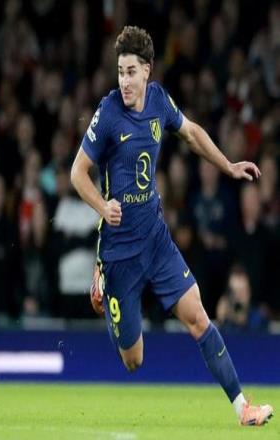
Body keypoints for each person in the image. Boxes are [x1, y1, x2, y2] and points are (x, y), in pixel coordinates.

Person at [71, 26, 273, 426]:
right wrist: (102, 206)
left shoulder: (159, 100)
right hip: (119, 251)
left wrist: (228, 165)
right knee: (134, 360)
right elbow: (78, 172)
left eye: (131, 72)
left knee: (198, 317)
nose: (124, 81)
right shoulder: (108, 112)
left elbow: (192, 133)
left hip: (155, 239)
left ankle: (242, 407)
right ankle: (103, 284)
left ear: (147, 70)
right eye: (120, 72)